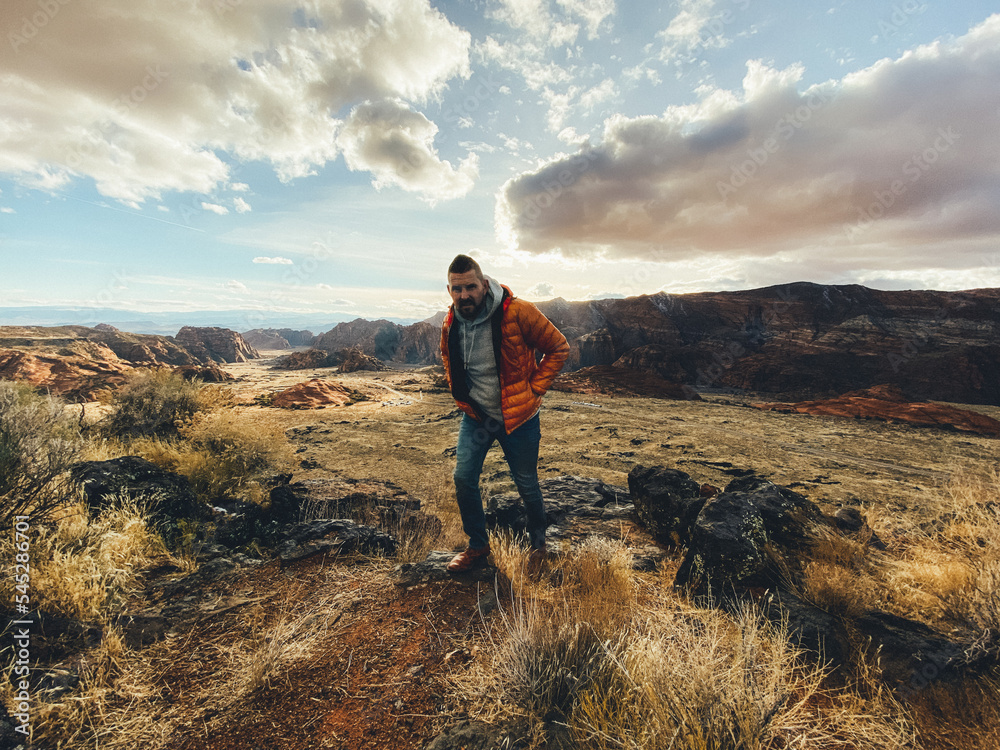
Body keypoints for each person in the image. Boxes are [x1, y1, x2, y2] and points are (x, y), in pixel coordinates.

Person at [440, 254, 570, 573]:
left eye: (470, 287)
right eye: (457, 289)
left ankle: (538, 546)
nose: (464, 295)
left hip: (519, 419)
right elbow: (447, 357)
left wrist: (535, 390)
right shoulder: (451, 321)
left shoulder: (518, 311)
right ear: (449, 290)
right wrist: (461, 396)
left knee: (526, 483)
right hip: (478, 418)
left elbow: (558, 347)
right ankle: (478, 547)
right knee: (463, 477)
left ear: (484, 285)